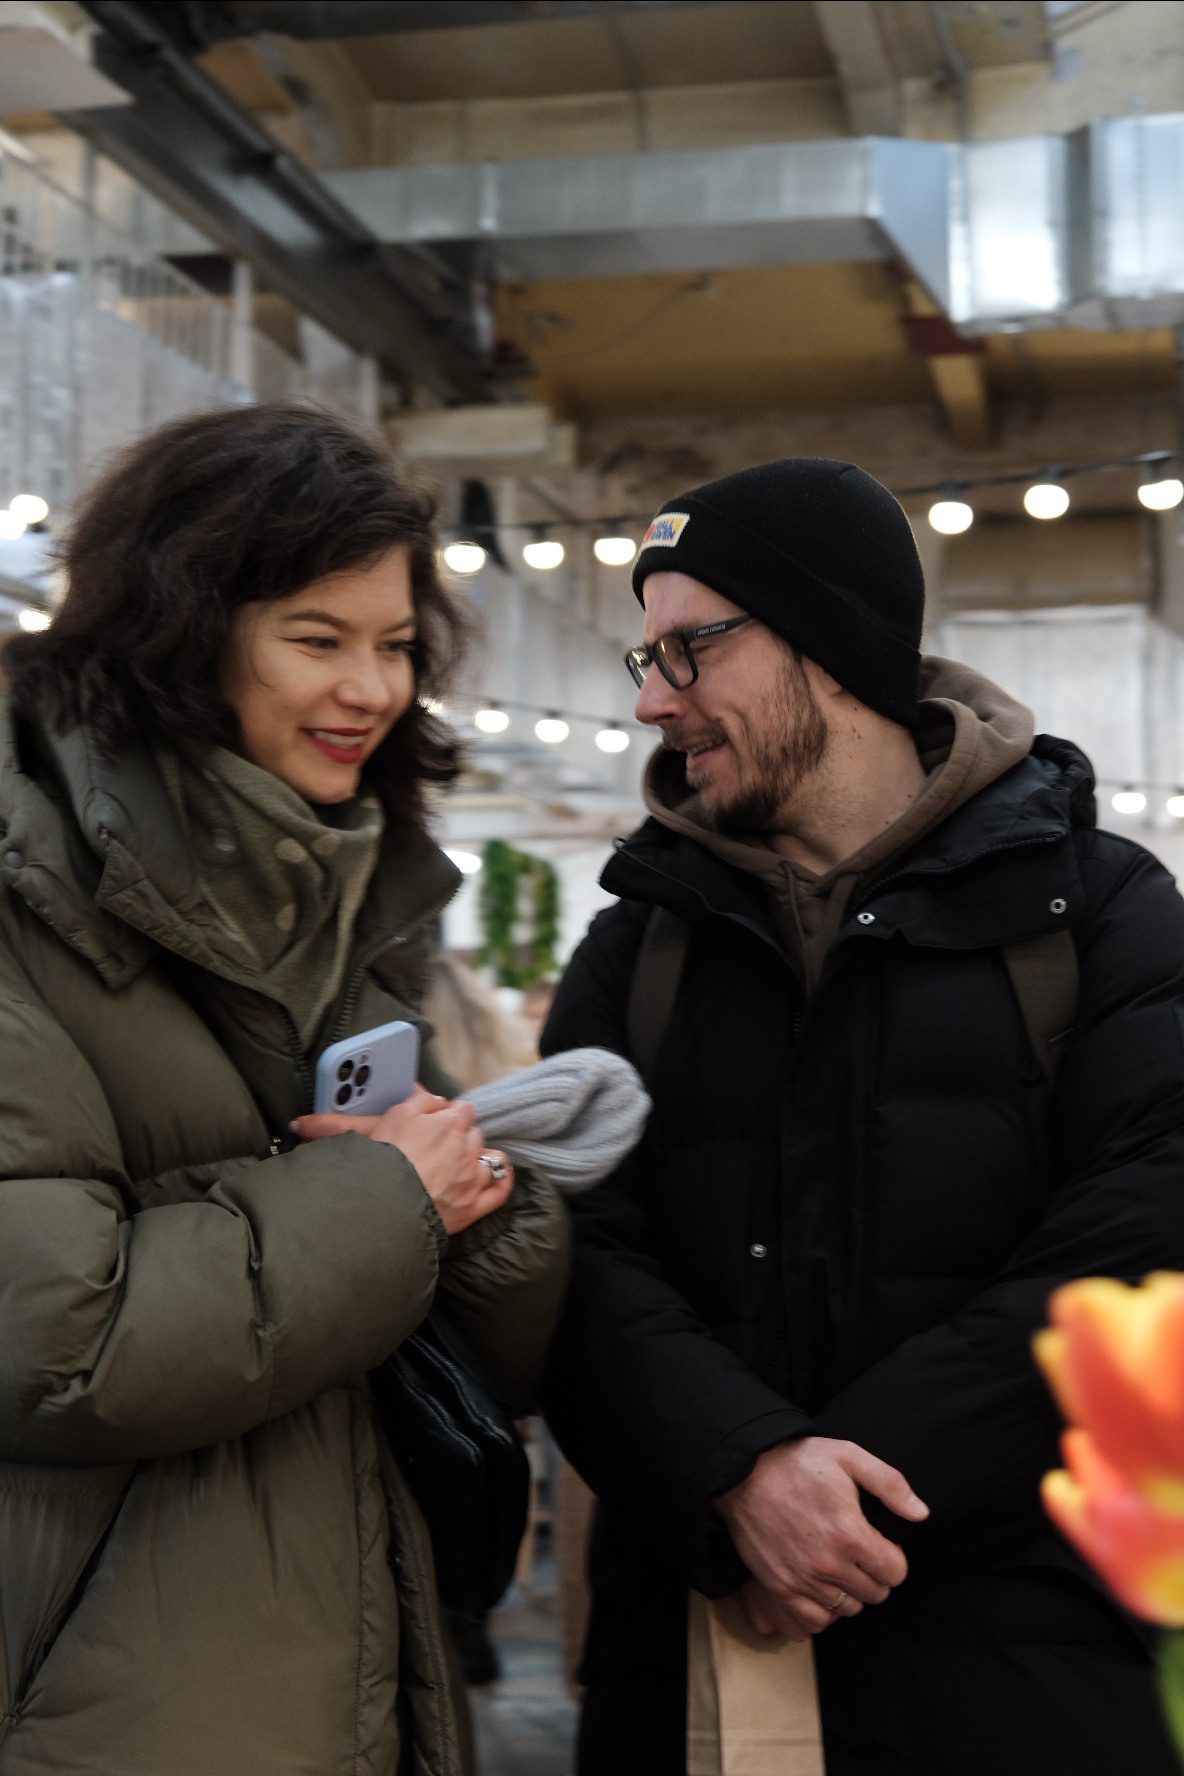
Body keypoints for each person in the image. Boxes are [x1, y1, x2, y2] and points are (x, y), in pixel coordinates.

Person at [540, 458, 1184, 1776]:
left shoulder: (1103, 915)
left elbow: (1145, 1235)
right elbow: (565, 1257)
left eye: (691, 649)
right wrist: (741, 1474)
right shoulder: (638, 947)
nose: (657, 697)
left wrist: (839, 1496)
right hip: (694, 1672)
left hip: (1027, 1670)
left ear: (830, 648)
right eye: (644, 658)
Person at [0, 402, 568, 1776]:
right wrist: (385, 1197)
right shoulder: (28, 900)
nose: (371, 690)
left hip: (349, 1651)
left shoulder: (340, 897)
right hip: (118, 1694)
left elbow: (496, 1354)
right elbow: (57, 1344)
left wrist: (480, 1211)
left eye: (394, 646)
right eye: (316, 640)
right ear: (181, 638)